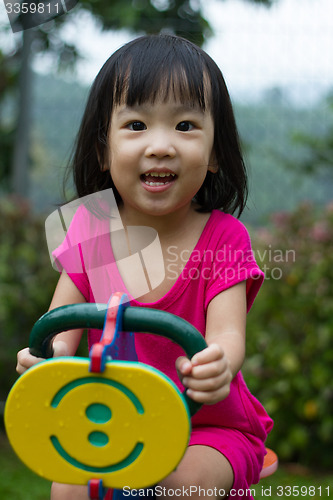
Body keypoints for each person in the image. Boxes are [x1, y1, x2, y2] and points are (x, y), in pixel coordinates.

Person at [16, 34, 273, 500]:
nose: (160, 145)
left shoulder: (223, 238)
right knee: (67, 489)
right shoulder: (92, 231)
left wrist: (219, 363)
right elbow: (60, 328)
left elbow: (228, 335)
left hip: (209, 428)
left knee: (182, 484)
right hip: (114, 420)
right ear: (102, 149)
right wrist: (44, 358)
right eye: (136, 125)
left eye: (185, 126)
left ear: (215, 153)